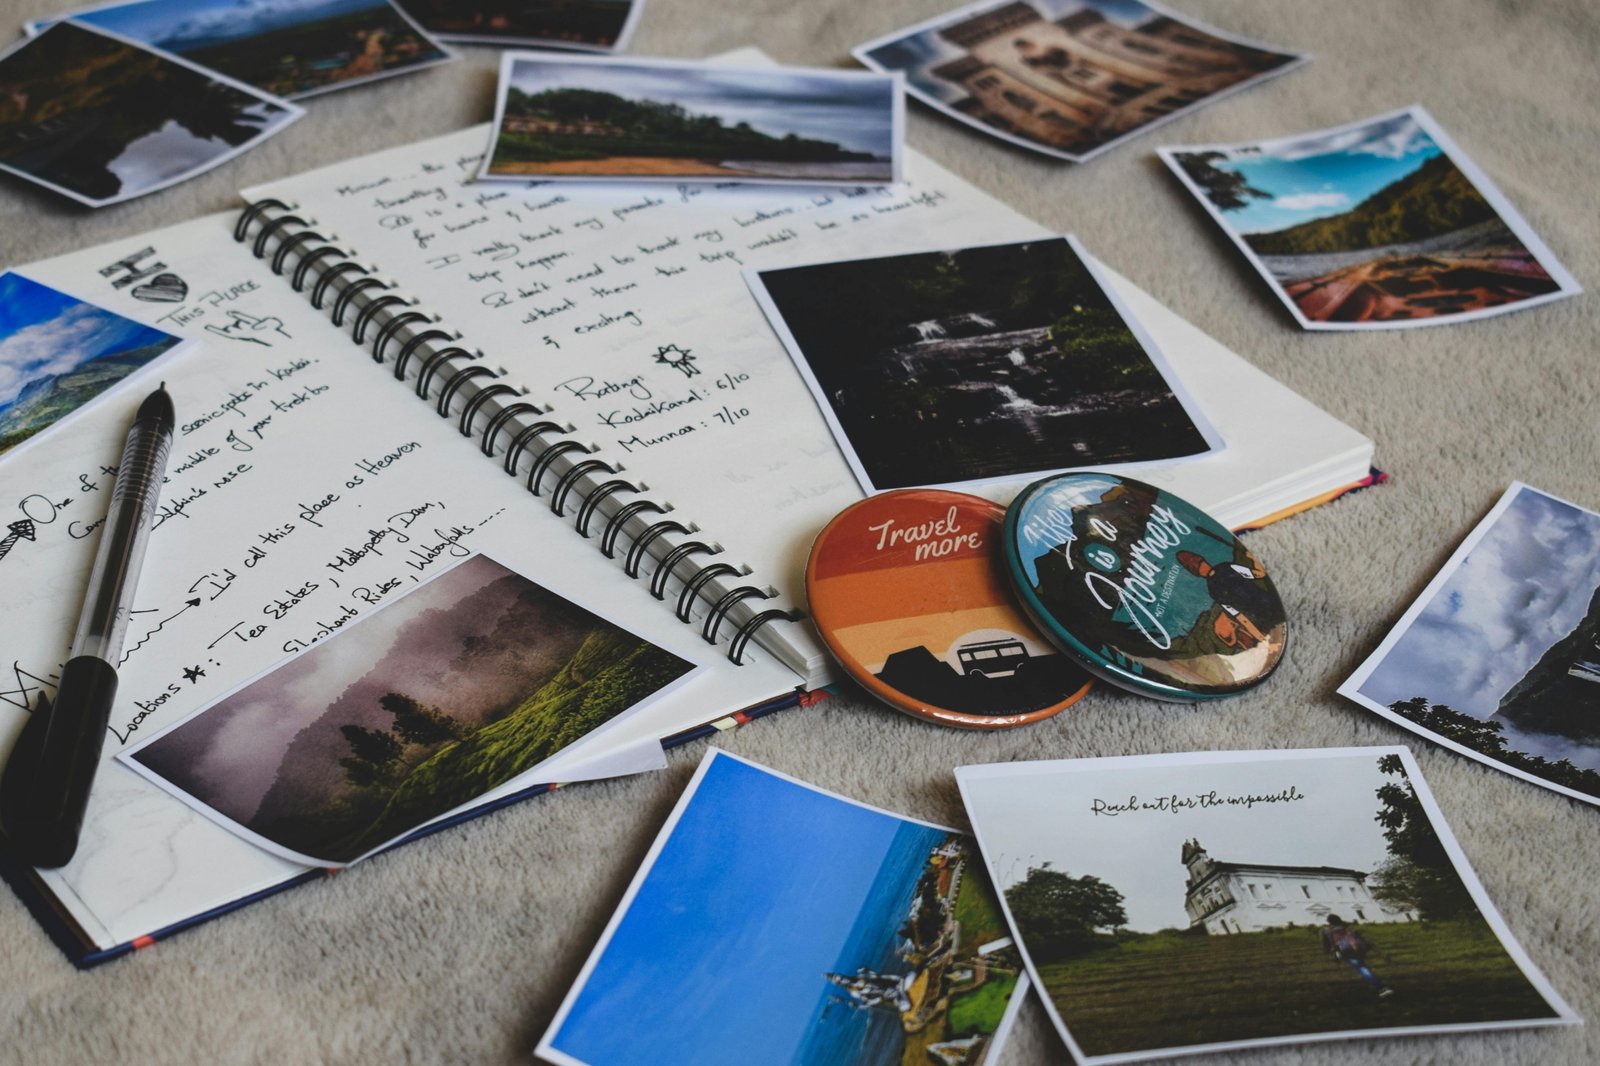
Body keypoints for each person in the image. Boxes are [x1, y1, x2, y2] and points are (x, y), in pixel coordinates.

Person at [1320, 914, 1395, 998]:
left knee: (1362, 968)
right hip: (1359, 949)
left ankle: (1381, 987)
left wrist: (1332, 954)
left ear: (1329, 922)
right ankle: (1375, 984)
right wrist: (1379, 952)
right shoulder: (1348, 927)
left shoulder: (1326, 930)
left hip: (1345, 951)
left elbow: (1326, 946)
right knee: (1362, 966)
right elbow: (1365, 938)